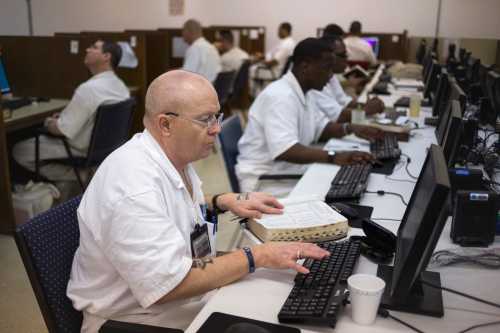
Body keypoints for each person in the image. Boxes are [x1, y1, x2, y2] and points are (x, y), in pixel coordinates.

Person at [67, 70, 330, 332]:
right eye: (206, 120)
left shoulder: (169, 157)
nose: (216, 129)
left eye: (217, 116)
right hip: (136, 320)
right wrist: (256, 256)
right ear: (165, 124)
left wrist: (221, 200)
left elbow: (172, 206)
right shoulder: (133, 186)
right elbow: (170, 285)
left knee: (277, 292)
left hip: (179, 299)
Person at [236, 38, 382, 196]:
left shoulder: (306, 92)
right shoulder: (281, 97)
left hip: (284, 169)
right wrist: (335, 156)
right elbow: (286, 150)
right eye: (327, 68)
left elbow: (322, 127)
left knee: (347, 178)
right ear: (305, 66)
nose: (330, 75)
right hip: (265, 180)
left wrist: (351, 128)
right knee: (340, 188)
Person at [13, 40, 129, 181]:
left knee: (18, 150)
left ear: (106, 56)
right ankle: (86, 175)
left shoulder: (89, 88)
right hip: (105, 149)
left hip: (80, 149)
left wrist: (50, 122)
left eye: (94, 47)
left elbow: (61, 130)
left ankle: (79, 176)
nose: (87, 49)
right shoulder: (122, 87)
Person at [308, 35, 385, 123]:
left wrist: (366, 105)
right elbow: (338, 116)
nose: (347, 58)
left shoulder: (331, 76)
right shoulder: (315, 81)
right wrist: (367, 110)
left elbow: (345, 102)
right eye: (343, 55)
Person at [250, 22, 296, 95]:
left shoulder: (286, 44)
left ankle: (256, 96)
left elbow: (273, 62)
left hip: (274, 71)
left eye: (279, 30)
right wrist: (263, 56)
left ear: (284, 30)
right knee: (254, 67)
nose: (278, 32)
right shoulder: (287, 42)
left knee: (250, 70)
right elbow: (272, 55)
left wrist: (259, 60)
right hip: (274, 69)